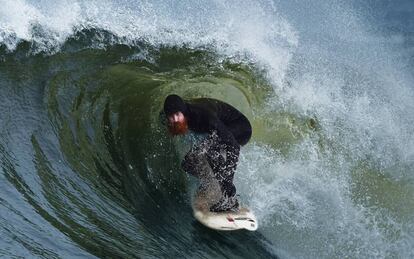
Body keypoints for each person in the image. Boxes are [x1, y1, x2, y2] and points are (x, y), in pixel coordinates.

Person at [163, 94, 252, 212]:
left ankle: (226, 197)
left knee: (207, 154)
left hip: (241, 128)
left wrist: (228, 181)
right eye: (171, 116)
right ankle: (216, 189)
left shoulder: (203, 116)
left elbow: (234, 146)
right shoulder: (176, 116)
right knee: (188, 164)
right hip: (222, 125)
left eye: (177, 115)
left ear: (183, 112)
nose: (175, 120)